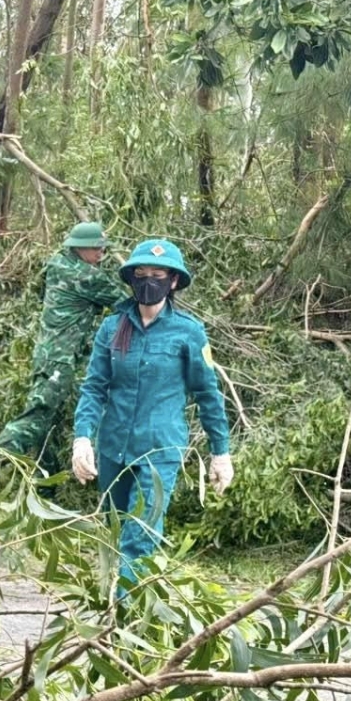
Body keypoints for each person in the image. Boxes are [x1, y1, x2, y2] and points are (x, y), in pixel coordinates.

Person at [71, 238, 234, 589]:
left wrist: (220, 453)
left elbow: (207, 392)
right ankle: (115, 611)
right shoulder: (112, 328)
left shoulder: (189, 332)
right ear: (131, 279)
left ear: (173, 281)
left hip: (159, 452)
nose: (149, 281)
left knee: (140, 536)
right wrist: (82, 438)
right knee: (111, 532)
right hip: (113, 447)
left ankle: (126, 623)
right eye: (141, 273)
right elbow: (95, 387)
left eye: (157, 274)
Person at [0, 222, 121, 507]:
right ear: (78, 247)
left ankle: (42, 491)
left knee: (48, 421)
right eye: (96, 247)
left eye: (103, 248)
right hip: (60, 360)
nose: (101, 252)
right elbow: (128, 303)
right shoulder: (86, 276)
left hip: (48, 356)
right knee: (36, 418)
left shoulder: (55, 264)